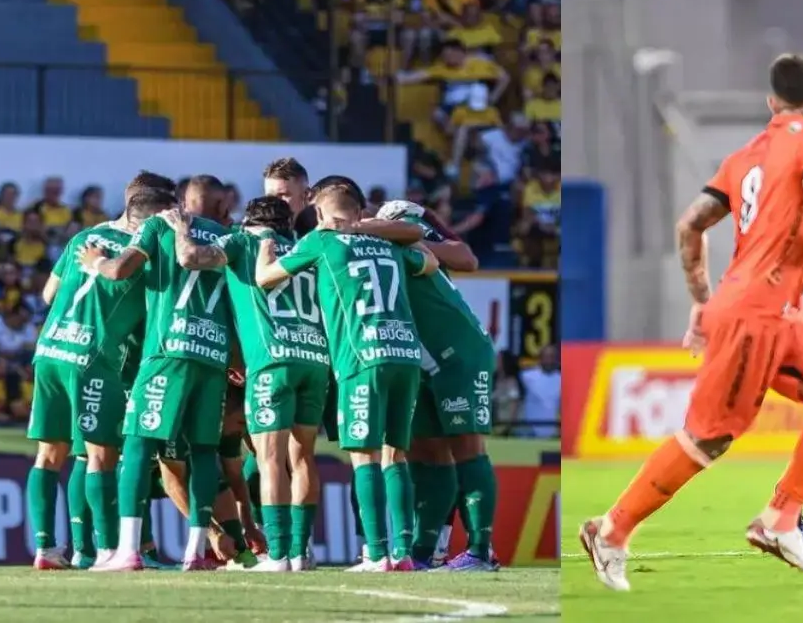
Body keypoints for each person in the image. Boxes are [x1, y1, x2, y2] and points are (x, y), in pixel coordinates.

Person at [578, 53, 803, 591]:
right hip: (757, 311)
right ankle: (611, 529)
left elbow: (691, 225)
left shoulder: (744, 156)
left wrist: (702, 300)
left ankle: (779, 520)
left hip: (782, 309)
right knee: (709, 438)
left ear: (771, 102)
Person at [255, 185, 439, 573]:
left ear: (321, 215)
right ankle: (403, 553)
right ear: (359, 212)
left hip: (362, 357)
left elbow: (267, 278)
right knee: (395, 454)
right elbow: (431, 263)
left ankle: (375, 552)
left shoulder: (321, 240)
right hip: (406, 354)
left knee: (364, 456)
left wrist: (265, 253)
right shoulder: (387, 244)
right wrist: (380, 229)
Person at [79, 175, 233, 572]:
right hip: (213, 356)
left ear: (182, 201)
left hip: (168, 351)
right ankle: (196, 553)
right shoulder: (232, 239)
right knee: (202, 453)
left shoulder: (158, 226)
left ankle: (128, 550)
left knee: (137, 444)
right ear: (221, 205)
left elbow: (119, 271)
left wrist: (95, 261)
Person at [24, 184, 170, 570]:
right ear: (152, 219)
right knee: (100, 454)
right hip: (91, 358)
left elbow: (48, 295)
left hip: (50, 349)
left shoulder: (83, 237)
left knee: (49, 454)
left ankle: (46, 549)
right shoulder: (143, 253)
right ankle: (106, 550)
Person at [377, 200, 500, 571]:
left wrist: (375, 229)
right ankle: (423, 553)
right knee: (425, 453)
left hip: (459, 355)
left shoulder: (395, 220)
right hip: (424, 363)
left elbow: (463, 256)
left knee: (468, 449)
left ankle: (481, 551)